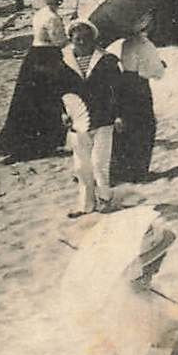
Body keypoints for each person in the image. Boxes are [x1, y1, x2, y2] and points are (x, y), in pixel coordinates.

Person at [61, 207, 178, 355]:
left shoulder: (146, 289)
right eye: (155, 260)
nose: (159, 265)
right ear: (140, 266)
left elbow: (163, 321)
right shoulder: (122, 300)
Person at [0, 0, 71, 162]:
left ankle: (31, 142)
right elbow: (59, 41)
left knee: (30, 99)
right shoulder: (52, 17)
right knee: (49, 98)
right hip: (48, 56)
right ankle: (45, 141)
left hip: (34, 56)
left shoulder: (39, 14)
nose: (60, 0)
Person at [58, 19, 123, 217]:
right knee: (81, 166)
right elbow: (59, 90)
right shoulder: (64, 62)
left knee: (99, 163)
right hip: (78, 122)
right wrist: (63, 112)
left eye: (86, 38)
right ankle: (86, 204)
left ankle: (106, 199)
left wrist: (119, 115)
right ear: (71, 39)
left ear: (93, 39)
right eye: (77, 38)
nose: (81, 42)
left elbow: (118, 91)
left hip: (104, 118)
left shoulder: (107, 60)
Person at [110, 16, 166, 184]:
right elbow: (152, 72)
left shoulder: (126, 43)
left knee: (127, 126)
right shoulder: (145, 44)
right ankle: (138, 170)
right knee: (144, 125)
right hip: (139, 86)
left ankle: (123, 167)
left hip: (125, 83)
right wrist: (161, 66)